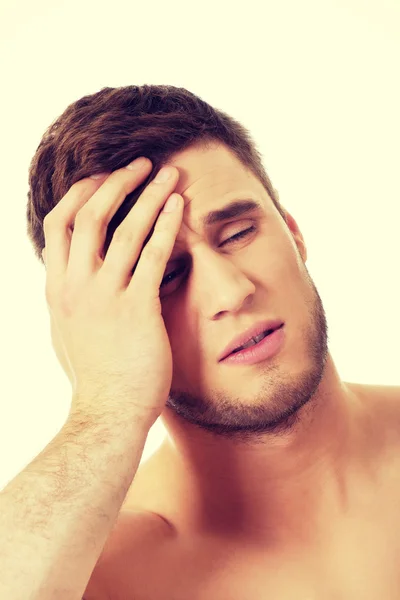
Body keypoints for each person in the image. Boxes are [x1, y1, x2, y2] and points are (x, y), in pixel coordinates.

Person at [0, 85, 398, 600]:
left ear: (292, 231)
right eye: (164, 275)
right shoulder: (103, 576)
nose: (231, 292)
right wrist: (106, 409)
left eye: (237, 234)